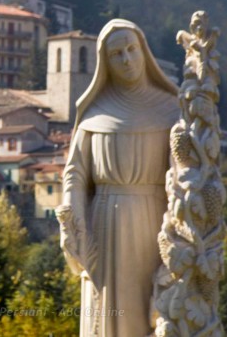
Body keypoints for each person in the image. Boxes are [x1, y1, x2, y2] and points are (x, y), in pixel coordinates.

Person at [57, 18, 179, 336]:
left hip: (153, 225)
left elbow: (183, 175)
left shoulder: (171, 109)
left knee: (145, 313)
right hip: (103, 226)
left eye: (131, 49)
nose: (126, 59)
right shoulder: (95, 112)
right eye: (117, 54)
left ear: (144, 51)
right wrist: (73, 218)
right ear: (106, 62)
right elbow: (75, 174)